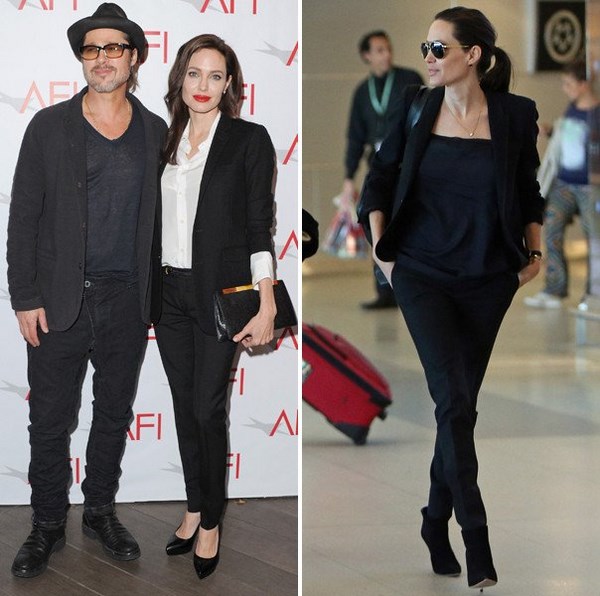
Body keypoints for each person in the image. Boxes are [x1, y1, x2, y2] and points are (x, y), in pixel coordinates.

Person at [358, 6, 544, 589]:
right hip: (422, 274)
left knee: (459, 407)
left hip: (489, 280)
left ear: (474, 55)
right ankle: (477, 542)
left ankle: (433, 520)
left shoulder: (515, 115)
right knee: (453, 404)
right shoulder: (415, 105)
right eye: (426, 47)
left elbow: (528, 190)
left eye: (439, 48)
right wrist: (383, 255)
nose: (429, 58)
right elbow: (378, 180)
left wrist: (535, 254)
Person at [6, 2, 167, 579]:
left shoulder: (155, 131)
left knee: (113, 413)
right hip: (57, 301)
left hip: (127, 299)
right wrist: (24, 296)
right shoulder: (49, 126)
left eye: (114, 47)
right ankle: (47, 522)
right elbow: (23, 216)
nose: (102, 58)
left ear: (133, 58)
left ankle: (100, 510)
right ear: (82, 58)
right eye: (92, 48)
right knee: (50, 421)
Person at [154, 34, 277, 581]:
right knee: (184, 407)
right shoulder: (163, 140)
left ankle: (211, 522)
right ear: (180, 78)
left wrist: (266, 302)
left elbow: (258, 227)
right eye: (194, 73)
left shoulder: (249, 140)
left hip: (218, 296)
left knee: (207, 409)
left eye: (216, 76)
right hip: (167, 295)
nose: (203, 86)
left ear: (230, 85)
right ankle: (193, 505)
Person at [342, 30, 423, 309]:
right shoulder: (362, 92)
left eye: (387, 49)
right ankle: (384, 291)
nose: (386, 55)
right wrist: (348, 177)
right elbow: (355, 137)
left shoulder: (409, 80)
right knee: (375, 223)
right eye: (378, 50)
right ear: (366, 56)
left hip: (407, 165)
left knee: (409, 225)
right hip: (378, 167)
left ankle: (413, 289)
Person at [525, 59, 600, 309]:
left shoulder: (596, 113)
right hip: (565, 183)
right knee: (552, 229)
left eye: (568, 83)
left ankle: (594, 292)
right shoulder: (572, 108)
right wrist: (552, 131)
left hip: (590, 188)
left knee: (595, 238)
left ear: (583, 84)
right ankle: (555, 289)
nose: (564, 88)